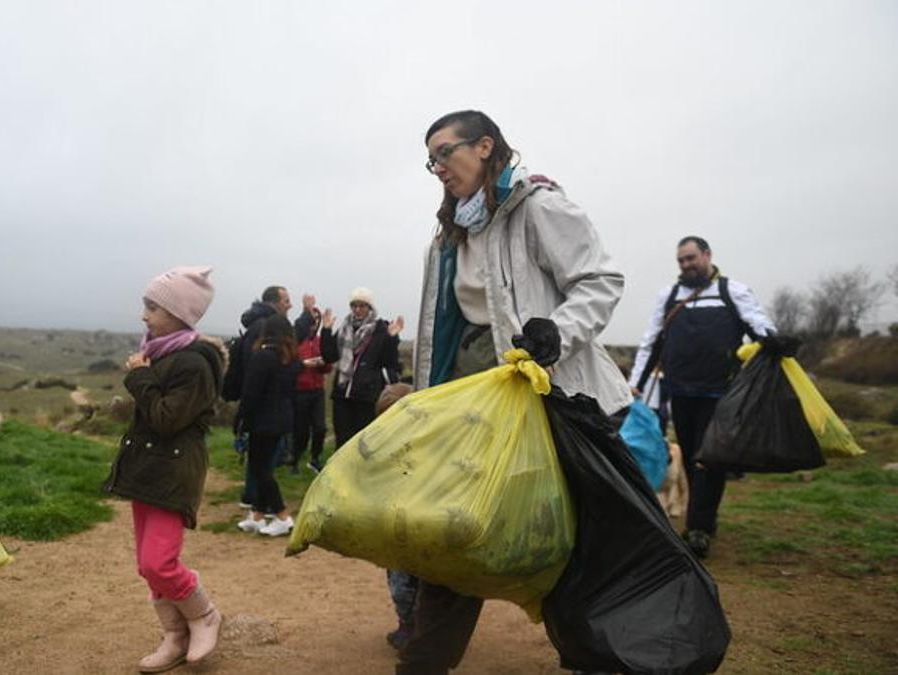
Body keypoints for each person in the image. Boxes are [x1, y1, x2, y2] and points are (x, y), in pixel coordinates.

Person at [400, 110, 632, 673]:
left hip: (557, 399)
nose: (437, 168)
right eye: (429, 160)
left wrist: (557, 334)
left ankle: (595, 658)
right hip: (479, 403)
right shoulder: (448, 237)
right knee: (457, 532)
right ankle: (423, 662)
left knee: (570, 541)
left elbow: (600, 281)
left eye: (444, 153)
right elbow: (444, 328)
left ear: (484, 146)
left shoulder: (539, 209)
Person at [104, 266, 227, 672]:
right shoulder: (164, 352)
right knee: (146, 565)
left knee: (160, 562)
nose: (144, 315)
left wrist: (138, 377)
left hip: (173, 472)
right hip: (149, 470)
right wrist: (144, 374)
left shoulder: (193, 364)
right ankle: (174, 637)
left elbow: (165, 418)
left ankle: (204, 614)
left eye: (152, 307)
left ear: (179, 314)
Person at [627, 236, 774, 559]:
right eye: (681, 260)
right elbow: (652, 340)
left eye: (691, 258)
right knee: (694, 457)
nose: (686, 265)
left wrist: (775, 342)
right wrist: (635, 383)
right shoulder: (670, 297)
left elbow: (759, 325)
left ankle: (698, 529)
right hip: (680, 392)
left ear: (707, 255)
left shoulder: (732, 291)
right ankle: (705, 518)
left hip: (720, 393)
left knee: (708, 459)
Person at [236, 314, 302, 536]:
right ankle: (258, 514)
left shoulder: (262, 357)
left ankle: (283, 515)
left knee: (260, 469)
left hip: (262, 420)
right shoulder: (291, 360)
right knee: (264, 466)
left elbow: (251, 392)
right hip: (282, 418)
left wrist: (241, 419)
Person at [233, 286, 292, 506]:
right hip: (266, 409)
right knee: (262, 462)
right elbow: (255, 377)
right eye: (286, 300)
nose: (289, 305)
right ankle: (262, 503)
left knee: (260, 460)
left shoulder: (259, 330)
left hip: (263, 408)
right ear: (274, 303)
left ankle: (259, 505)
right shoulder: (267, 336)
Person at [328, 287, 403, 448]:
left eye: (362, 306)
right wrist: (326, 330)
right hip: (342, 393)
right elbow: (330, 356)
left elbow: (389, 362)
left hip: (366, 394)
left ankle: (361, 471)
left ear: (370, 308)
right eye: (354, 306)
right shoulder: (344, 328)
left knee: (363, 439)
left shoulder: (380, 329)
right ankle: (341, 472)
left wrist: (392, 338)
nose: (357, 310)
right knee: (342, 439)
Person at [289, 294, 338, 473]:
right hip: (299, 391)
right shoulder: (295, 340)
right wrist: (303, 365)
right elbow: (288, 363)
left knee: (320, 428)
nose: (314, 323)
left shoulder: (320, 341)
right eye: (312, 319)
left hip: (317, 390)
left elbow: (329, 365)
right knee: (300, 430)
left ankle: (315, 458)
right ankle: (294, 459)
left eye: (317, 320)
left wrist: (323, 364)